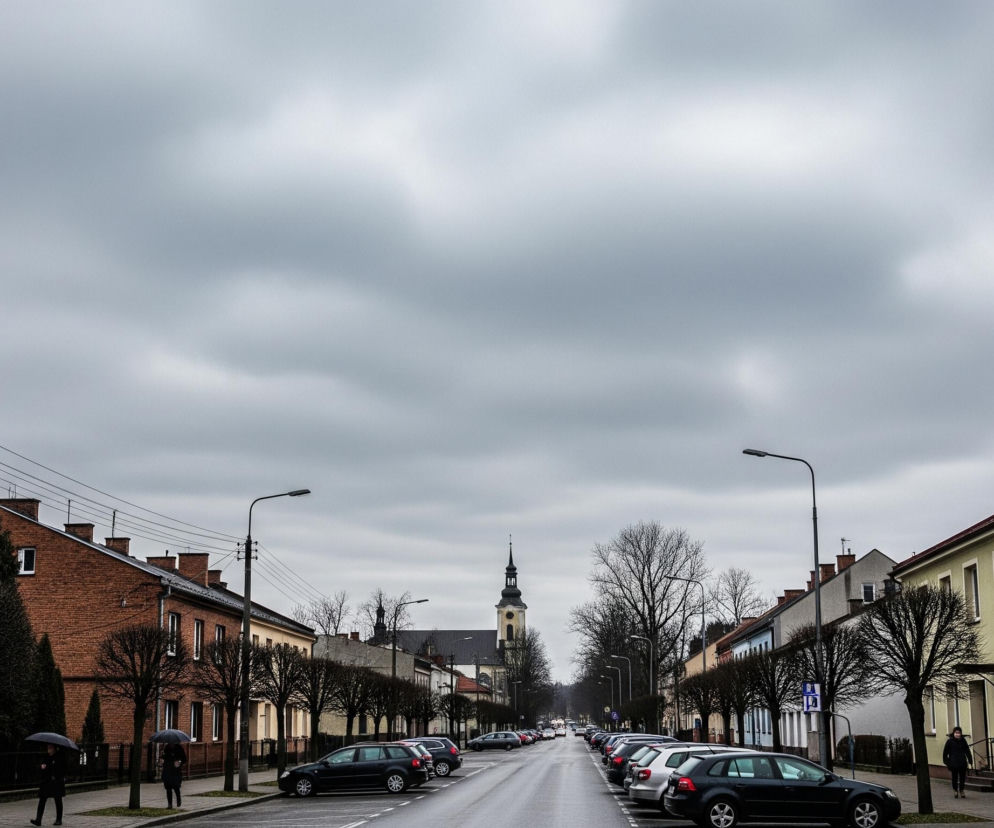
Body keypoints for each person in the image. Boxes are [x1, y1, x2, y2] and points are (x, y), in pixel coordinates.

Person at [31, 743, 65, 826]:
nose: (48, 749)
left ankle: (59, 819)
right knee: (42, 799)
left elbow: (62, 769)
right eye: (48, 747)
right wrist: (42, 767)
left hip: (56, 781)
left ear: (54, 748)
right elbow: (42, 767)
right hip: (46, 781)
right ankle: (38, 820)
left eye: (50, 748)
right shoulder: (46, 757)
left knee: (58, 799)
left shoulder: (59, 757)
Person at [943, 725, 972, 798]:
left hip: (962, 762)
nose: (957, 734)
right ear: (953, 733)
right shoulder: (949, 741)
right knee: (954, 778)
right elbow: (945, 753)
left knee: (962, 778)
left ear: (961, 733)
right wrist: (947, 763)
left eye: (959, 733)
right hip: (953, 763)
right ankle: (955, 790)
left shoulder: (963, 741)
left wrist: (970, 760)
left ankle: (961, 790)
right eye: (956, 733)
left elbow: (967, 751)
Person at [160, 742, 187, 808]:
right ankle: (170, 804)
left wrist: (179, 762)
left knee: (176, 787)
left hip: (176, 771)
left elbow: (184, 759)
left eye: (172, 741)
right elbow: (164, 758)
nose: (171, 743)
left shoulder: (179, 748)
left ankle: (178, 799)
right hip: (167, 771)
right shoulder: (166, 748)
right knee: (168, 788)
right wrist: (162, 759)